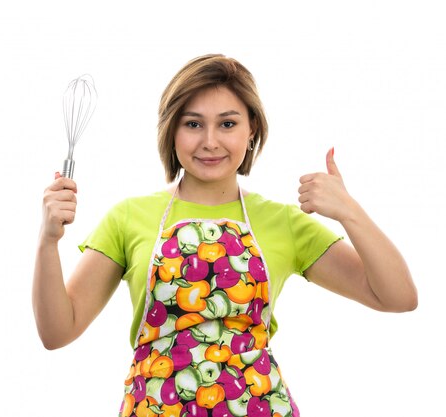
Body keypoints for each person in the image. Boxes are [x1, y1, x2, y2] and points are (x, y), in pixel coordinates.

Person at [32, 54, 418, 417]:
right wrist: (48, 241)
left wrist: (349, 211)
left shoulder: (283, 222)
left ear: (252, 130)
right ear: (172, 130)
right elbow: (57, 332)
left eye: (228, 123)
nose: (210, 141)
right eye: (193, 123)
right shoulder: (128, 217)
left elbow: (398, 297)